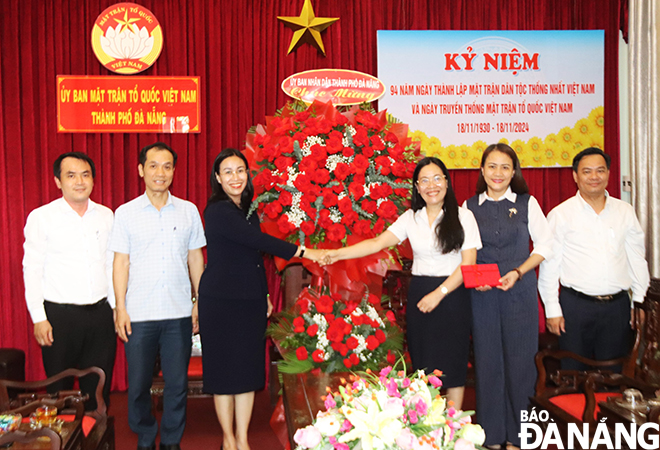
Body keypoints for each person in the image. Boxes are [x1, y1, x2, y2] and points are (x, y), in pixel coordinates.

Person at [323, 156, 481, 408]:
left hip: (452, 294)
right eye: (424, 180)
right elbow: (376, 243)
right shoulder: (411, 218)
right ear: (417, 187)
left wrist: (439, 293)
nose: (432, 185)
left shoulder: (464, 217)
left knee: (453, 364)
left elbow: (468, 264)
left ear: (447, 182)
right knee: (423, 364)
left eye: (437, 178)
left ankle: (454, 428)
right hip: (420, 292)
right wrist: (334, 254)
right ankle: (428, 424)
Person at [198, 148, 324, 450]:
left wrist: (265, 293)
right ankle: (228, 439)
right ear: (217, 178)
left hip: (250, 299)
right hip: (220, 300)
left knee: (246, 370)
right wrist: (304, 252)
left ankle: (242, 438)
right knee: (223, 372)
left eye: (240, 170)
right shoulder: (217, 210)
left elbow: (253, 258)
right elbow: (257, 241)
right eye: (227, 171)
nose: (235, 177)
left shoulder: (248, 210)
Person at [111, 142, 206, 450]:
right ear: (141, 170)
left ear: (173, 171)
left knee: (176, 384)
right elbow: (120, 262)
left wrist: (198, 303)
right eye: (153, 165)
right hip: (138, 314)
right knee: (138, 385)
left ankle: (171, 441)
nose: (160, 172)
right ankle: (145, 433)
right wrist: (120, 309)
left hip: (178, 312)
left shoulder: (188, 210)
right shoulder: (125, 213)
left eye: (166, 166)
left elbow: (195, 259)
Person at [464, 143, 554, 450]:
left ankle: (520, 437)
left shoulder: (528, 203)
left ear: (514, 171)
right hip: (483, 295)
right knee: (488, 363)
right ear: (482, 170)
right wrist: (475, 279)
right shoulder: (469, 206)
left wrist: (518, 271)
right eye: (492, 166)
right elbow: (464, 251)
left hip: (520, 292)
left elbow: (544, 246)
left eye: (505, 167)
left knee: (521, 364)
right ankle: (490, 435)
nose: (498, 173)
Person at [538, 147, 650, 371]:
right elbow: (549, 266)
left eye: (600, 171)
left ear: (608, 173)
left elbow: (637, 259)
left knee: (614, 376)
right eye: (587, 171)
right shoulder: (561, 214)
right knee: (572, 374)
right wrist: (552, 310)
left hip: (616, 307)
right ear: (575, 176)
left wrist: (639, 300)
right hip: (575, 307)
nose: (594, 177)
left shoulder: (624, 211)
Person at [23, 151, 116, 411]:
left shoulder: (106, 215)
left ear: (93, 180)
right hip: (59, 318)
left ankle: (97, 439)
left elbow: (111, 266)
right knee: (60, 393)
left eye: (85, 175)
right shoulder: (41, 217)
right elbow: (32, 269)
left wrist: (117, 308)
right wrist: (38, 318)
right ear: (58, 181)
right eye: (71, 175)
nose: (79, 181)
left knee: (98, 390)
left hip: (100, 315)